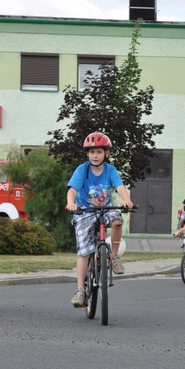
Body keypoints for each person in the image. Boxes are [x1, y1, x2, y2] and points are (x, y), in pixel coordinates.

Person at [65, 131, 133, 308]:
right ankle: (80, 290)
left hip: (105, 209)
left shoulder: (110, 170)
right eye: (92, 152)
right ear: (87, 154)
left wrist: (126, 200)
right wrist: (71, 203)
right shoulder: (82, 170)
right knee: (84, 251)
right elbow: (72, 189)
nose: (95, 155)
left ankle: (114, 256)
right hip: (84, 211)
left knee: (118, 221)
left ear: (106, 153)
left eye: (99, 152)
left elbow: (120, 186)